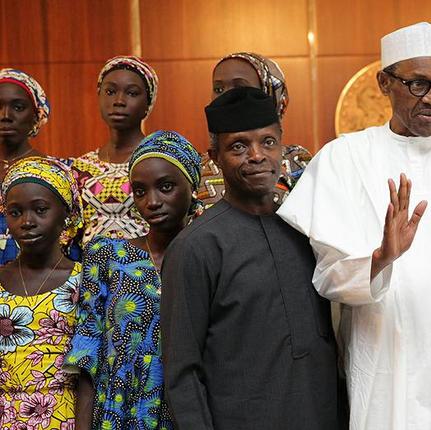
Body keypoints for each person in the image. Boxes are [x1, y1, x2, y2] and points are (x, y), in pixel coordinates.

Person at [278, 22, 431, 429]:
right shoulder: (344, 161)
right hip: (389, 365)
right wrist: (379, 259)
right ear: (384, 82)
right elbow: (329, 277)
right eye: (417, 84)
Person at [161, 87, 342, 429]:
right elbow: (182, 373)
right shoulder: (196, 247)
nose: (257, 155)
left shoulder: (307, 229)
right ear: (215, 157)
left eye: (268, 142)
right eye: (239, 146)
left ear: (282, 147)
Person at [66, 130, 200, 429]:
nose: (152, 201)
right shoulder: (107, 255)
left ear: (191, 187)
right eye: (140, 191)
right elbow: (88, 350)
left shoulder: (209, 258)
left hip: (187, 412)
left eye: (166, 187)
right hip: (119, 412)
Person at [0, 157, 84, 429]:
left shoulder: (84, 281)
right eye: (15, 212)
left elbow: (93, 372)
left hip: (66, 417)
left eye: (40, 209)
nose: (27, 222)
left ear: (66, 213)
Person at [197, 52, 312, 208]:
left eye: (240, 87)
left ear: (269, 93)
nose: (227, 96)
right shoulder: (196, 168)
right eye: (218, 89)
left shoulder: (298, 162)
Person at [72, 55, 159, 246]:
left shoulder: (160, 160)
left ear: (148, 103)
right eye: (110, 91)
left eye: (132, 93)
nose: (119, 101)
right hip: (91, 273)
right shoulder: (80, 167)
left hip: (147, 271)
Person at [0, 69, 51, 265]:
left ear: (36, 115)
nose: (5, 116)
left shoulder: (56, 171)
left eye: (18, 107)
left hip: (37, 284)